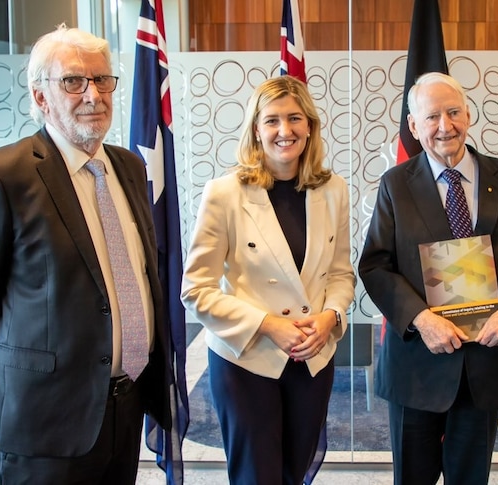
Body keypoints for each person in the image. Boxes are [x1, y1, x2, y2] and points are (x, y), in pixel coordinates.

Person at [0, 25, 173, 484]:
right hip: (44, 420)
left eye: (102, 79)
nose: (93, 93)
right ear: (41, 96)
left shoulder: (128, 166)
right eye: (73, 81)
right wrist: (32, 366)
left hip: (123, 410)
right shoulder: (1, 175)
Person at [358, 72, 498, 484]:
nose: (445, 126)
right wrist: (422, 320)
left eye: (454, 112)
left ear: (469, 114)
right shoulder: (396, 186)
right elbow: (375, 265)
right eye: (432, 117)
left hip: (484, 362)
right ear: (413, 126)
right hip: (417, 365)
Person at [181, 75, 355, 484]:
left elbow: (341, 274)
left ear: (309, 126)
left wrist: (330, 317)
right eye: (272, 120)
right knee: (256, 477)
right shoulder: (224, 193)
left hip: (312, 359)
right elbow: (196, 290)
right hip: (246, 360)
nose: (284, 130)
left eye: (295, 118)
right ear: (257, 130)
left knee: (295, 472)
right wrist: (269, 325)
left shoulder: (334, 190)